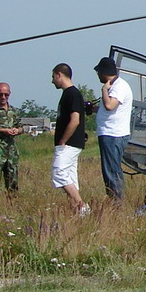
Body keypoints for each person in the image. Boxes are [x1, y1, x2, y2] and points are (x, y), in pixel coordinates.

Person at [51, 63, 90, 216]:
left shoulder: (72, 94)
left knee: (59, 172)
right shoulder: (68, 94)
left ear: (59, 74)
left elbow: (75, 120)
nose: (52, 80)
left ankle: (82, 205)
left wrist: (63, 140)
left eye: (53, 76)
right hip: (71, 143)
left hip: (69, 143)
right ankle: (78, 211)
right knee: (69, 176)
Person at [93, 56, 133, 201]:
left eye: (98, 72)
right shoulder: (115, 86)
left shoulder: (119, 86)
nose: (97, 75)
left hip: (113, 135)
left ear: (103, 72)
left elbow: (110, 106)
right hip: (109, 133)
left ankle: (116, 201)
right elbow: (107, 107)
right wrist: (94, 109)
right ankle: (114, 199)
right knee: (109, 169)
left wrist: (104, 90)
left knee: (112, 170)